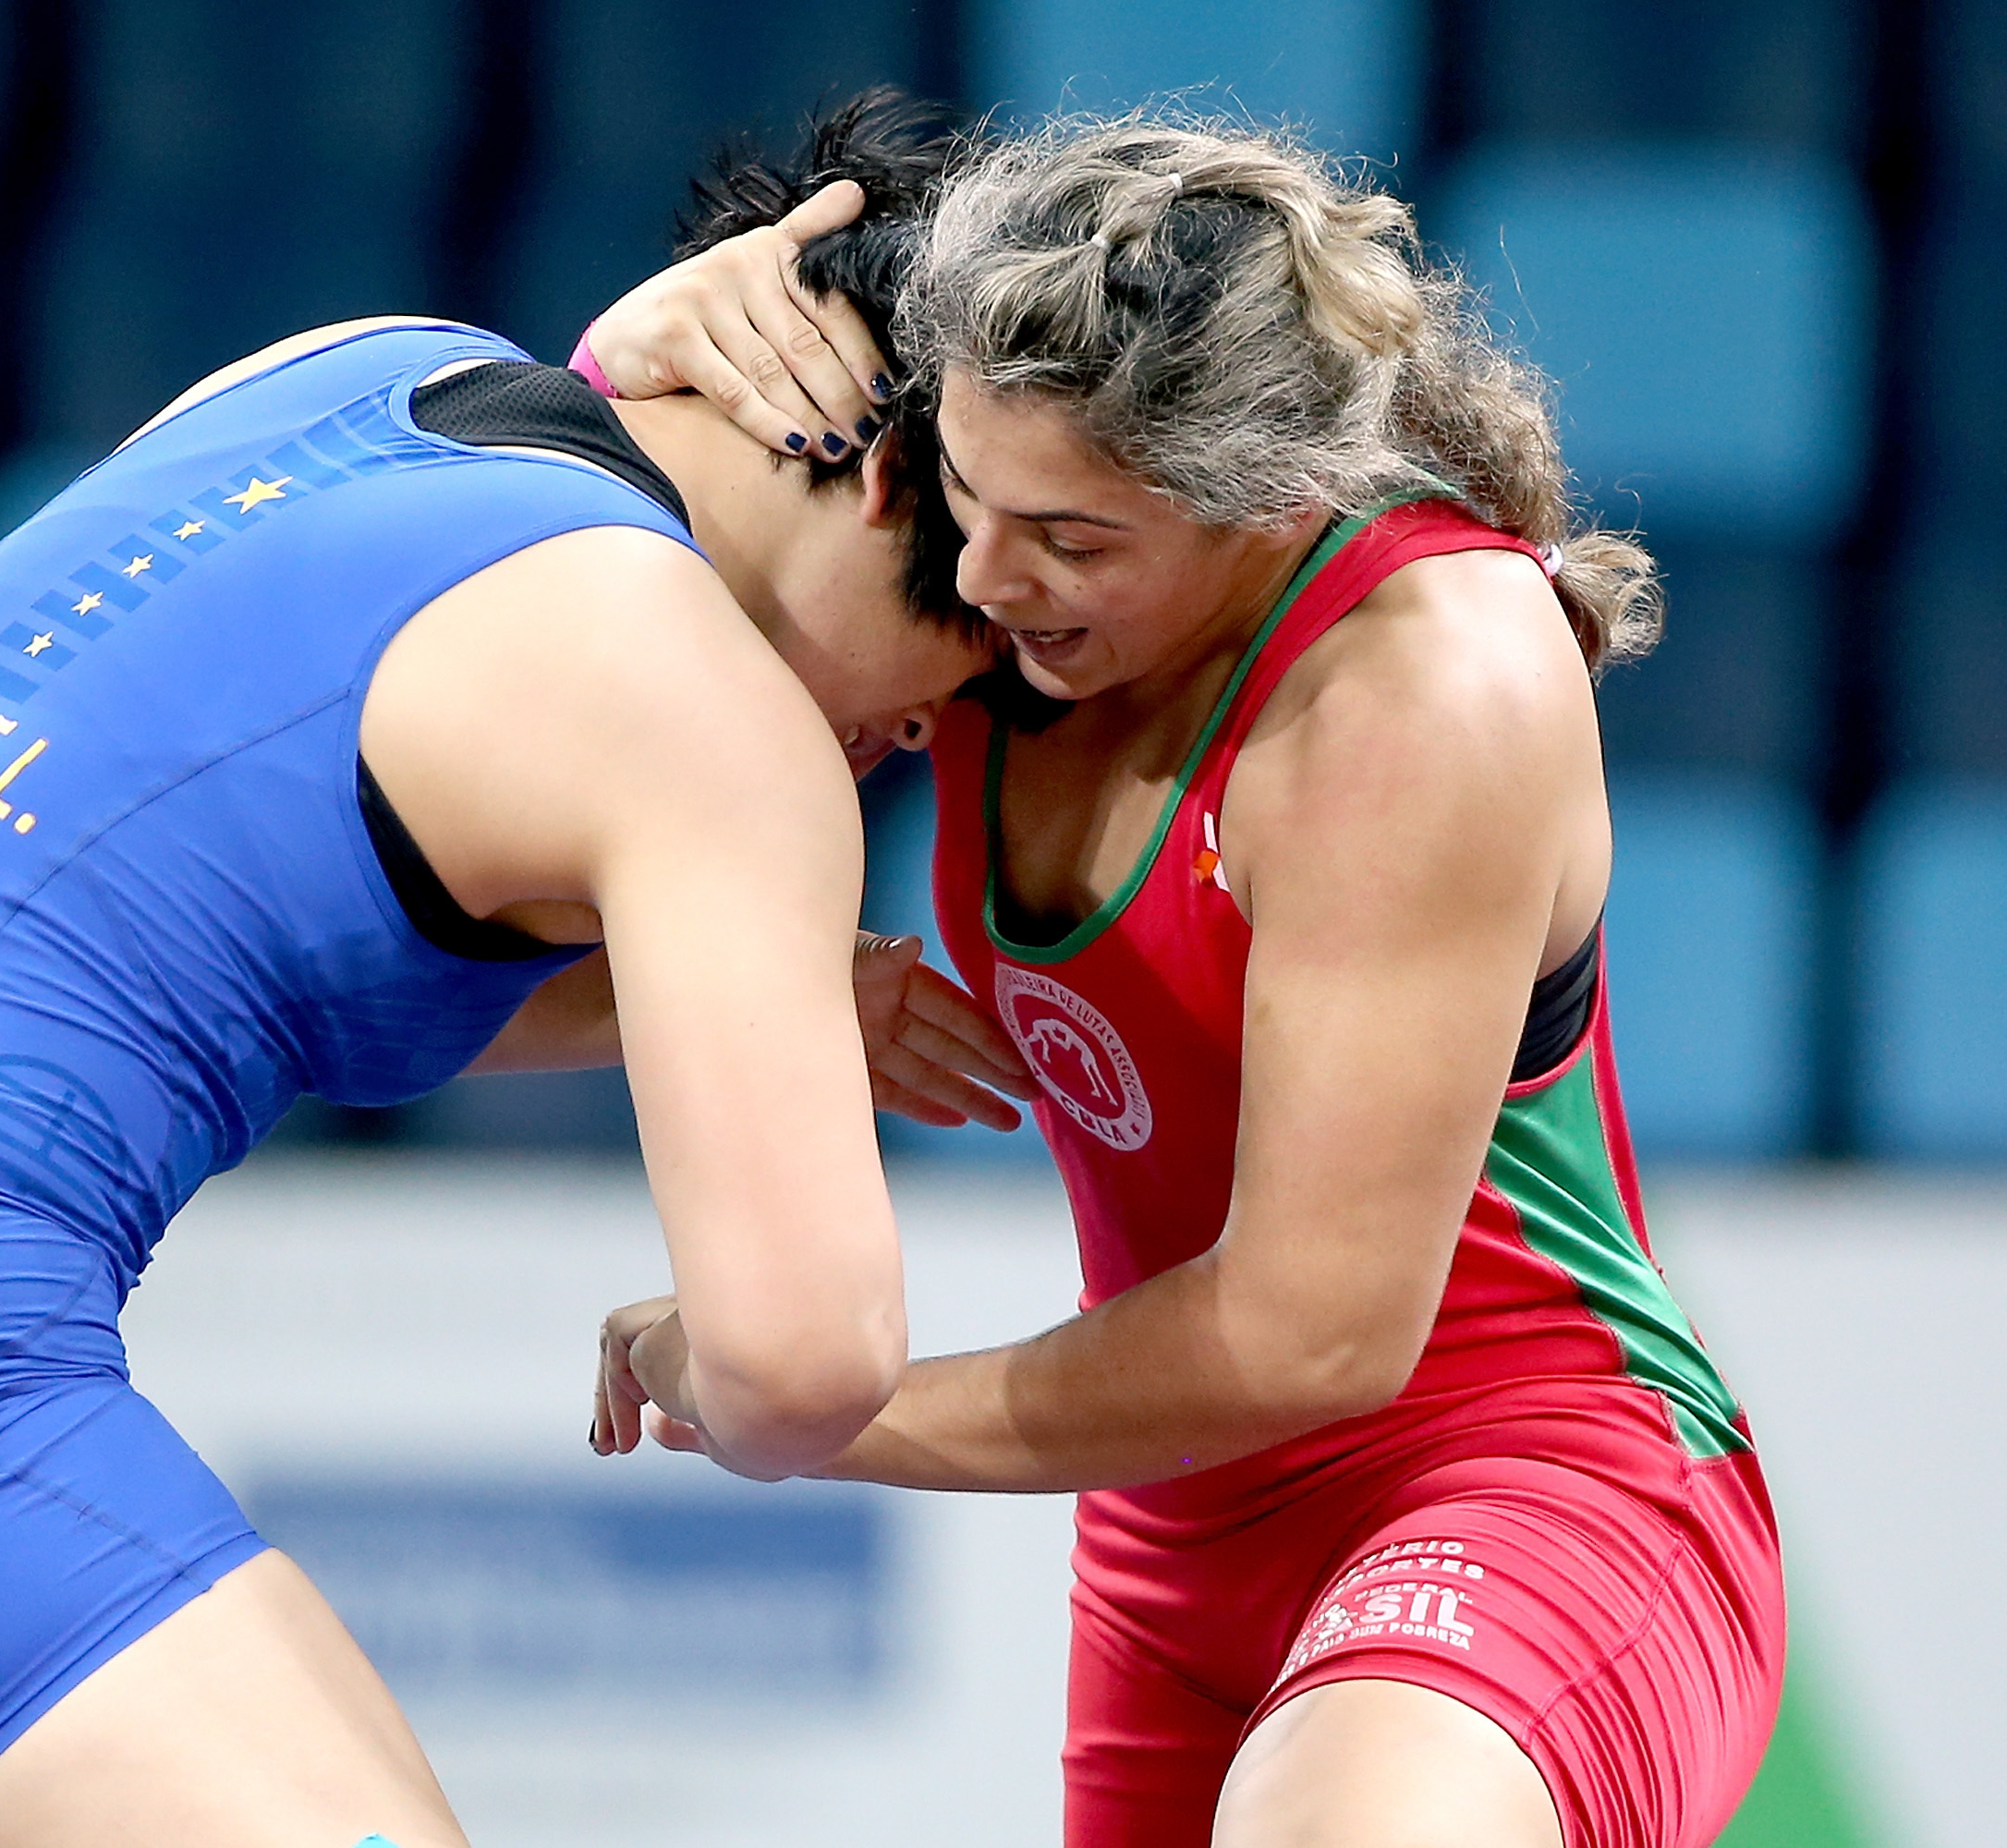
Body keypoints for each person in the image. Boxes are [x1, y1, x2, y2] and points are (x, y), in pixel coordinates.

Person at [0, 100, 1029, 1848]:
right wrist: (695, 1346)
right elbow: (801, 1369)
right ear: (889, 464)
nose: (942, 720)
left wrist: (734, 1001)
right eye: (982, 631)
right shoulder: (708, 714)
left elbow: (249, 895)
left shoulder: (351, 365)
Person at [587, 113, 1786, 1848]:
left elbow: (1312, 1333)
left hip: (1528, 1485)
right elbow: (575, 646)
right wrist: (621, 362)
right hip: (1171, 1555)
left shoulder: (1423, 681)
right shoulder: (1021, 628)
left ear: (1269, 500)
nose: (989, 585)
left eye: (1071, 540)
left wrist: (818, 1411)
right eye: (973, 502)